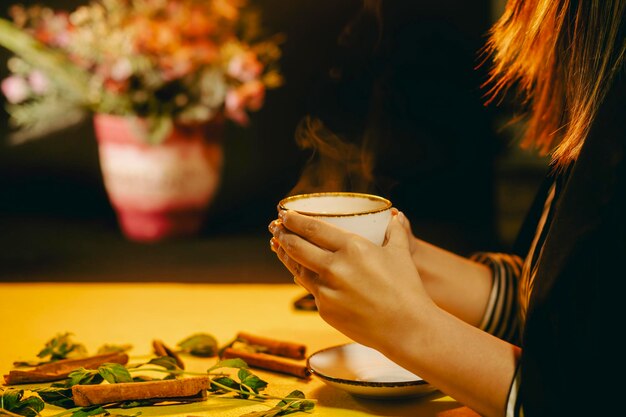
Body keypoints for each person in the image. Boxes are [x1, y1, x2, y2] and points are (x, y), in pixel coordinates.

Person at [268, 1, 626, 416]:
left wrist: (406, 326)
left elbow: (593, 397)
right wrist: (403, 259)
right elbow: (561, 315)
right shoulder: (599, 81)